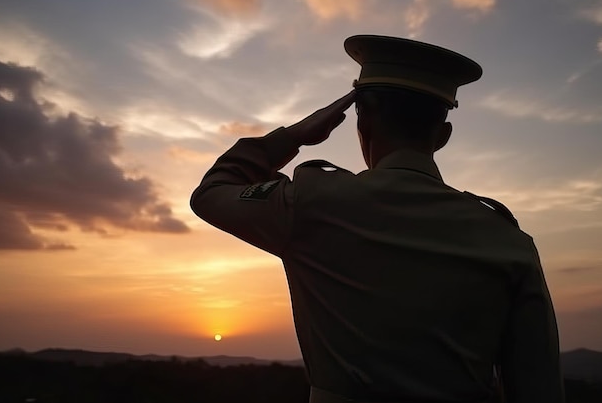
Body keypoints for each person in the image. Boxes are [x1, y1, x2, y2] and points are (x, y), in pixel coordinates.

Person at [190, 35, 564, 403]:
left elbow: (211, 193)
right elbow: (538, 387)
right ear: (443, 135)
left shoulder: (310, 203)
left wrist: (293, 136)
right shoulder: (508, 241)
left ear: (361, 122)